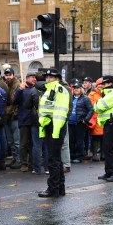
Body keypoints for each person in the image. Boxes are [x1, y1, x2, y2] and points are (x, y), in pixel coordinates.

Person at [37, 68, 69, 198]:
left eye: (51, 77)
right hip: (50, 126)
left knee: (53, 159)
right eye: (47, 77)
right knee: (56, 159)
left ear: (57, 78)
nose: (48, 79)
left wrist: (55, 132)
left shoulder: (59, 90)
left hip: (56, 127)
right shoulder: (49, 90)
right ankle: (59, 187)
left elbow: (60, 112)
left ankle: (53, 189)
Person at [93, 75, 113, 182]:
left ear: (110, 84)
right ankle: (109, 171)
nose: (102, 86)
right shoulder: (109, 94)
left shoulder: (112, 94)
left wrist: (97, 104)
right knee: (107, 148)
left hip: (112, 123)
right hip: (110, 123)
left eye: (104, 84)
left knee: (109, 149)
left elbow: (98, 107)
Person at [67, 81, 92, 163]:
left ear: (81, 89)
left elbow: (91, 110)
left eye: (77, 88)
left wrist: (86, 120)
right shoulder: (70, 98)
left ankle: (79, 156)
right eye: (74, 88)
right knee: (71, 140)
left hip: (80, 123)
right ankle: (71, 155)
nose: (76, 89)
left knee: (79, 141)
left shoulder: (85, 98)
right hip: (70, 122)